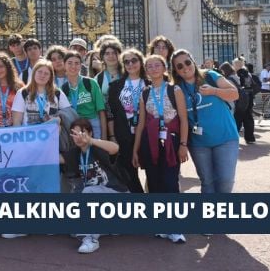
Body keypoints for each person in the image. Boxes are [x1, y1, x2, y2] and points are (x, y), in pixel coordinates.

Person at [132, 54, 189, 243]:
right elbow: (141, 124)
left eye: (157, 65)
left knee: (170, 182)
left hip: (171, 142)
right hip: (151, 142)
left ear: (164, 68)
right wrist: (136, 149)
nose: (154, 68)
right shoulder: (145, 93)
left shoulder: (175, 90)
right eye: (150, 66)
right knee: (154, 182)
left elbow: (183, 119)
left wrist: (183, 144)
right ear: (146, 71)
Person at [170, 49, 239, 194]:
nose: (185, 67)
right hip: (198, 143)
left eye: (187, 62)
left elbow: (234, 94)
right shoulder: (177, 88)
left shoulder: (210, 75)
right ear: (176, 70)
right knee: (207, 182)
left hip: (226, 138)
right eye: (179, 66)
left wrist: (214, 91)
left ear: (193, 61)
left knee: (225, 181)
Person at [66, 118, 128, 254]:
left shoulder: (98, 148)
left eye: (82, 132)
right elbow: (76, 185)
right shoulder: (73, 154)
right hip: (98, 200)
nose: (79, 137)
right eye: (74, 133)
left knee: (89, 191)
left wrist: (91, 141)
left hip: (117, 194)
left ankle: (91, 239)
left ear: (90, 133)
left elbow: (115, 148)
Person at [106, 48, 147, 193]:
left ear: (141, 62)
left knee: (153, 172)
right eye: (127, 62)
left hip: (147, 133)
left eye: (134, 60)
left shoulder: (150, 83)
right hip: (124, 133)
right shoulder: (116, 86)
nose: (130, 64)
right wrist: (112, 136)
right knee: (130, 174)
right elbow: (111, 113)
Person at [61, 52, 106, 139]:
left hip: (93, 125)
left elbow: (101, 111)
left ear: (81, 65)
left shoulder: (91, 83)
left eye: (77, 63)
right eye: (69, 63)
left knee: (95, 151)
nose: (73, 66)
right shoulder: (63, 89)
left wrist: (104, 136)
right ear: (64, 65)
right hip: (74, 126)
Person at [12, 59, 70, 126]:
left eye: (46, 73)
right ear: (34, 73)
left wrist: (59, 119)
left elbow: (67, 113)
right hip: (28, 135)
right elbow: (17, 121)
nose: (42, 75)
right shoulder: (22, 93)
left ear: (50, 77)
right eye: (40, 72)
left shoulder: (57, 93)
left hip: (51, 135)